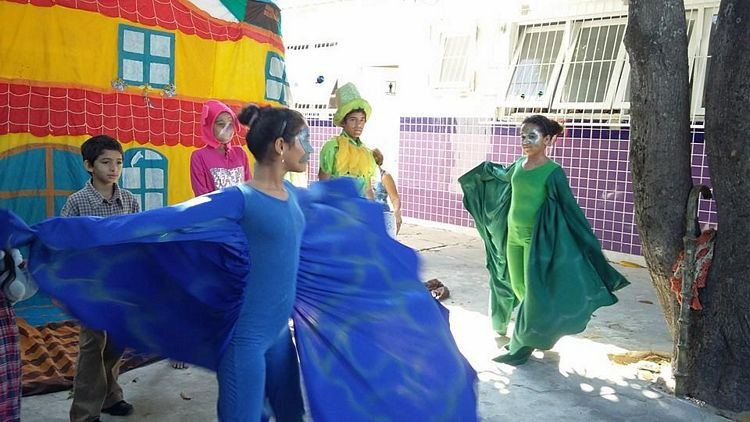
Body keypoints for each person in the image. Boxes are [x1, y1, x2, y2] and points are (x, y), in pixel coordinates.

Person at [459, 114, 629, 366]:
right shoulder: (519, 165)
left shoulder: (553, 172)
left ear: (548, 140)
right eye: (523, 136)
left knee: (533, 292)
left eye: (532, 136)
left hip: (537, 242)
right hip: (513, 237)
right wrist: (479, 174)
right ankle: (536, 333)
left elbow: (569, 208)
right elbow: (500, 175)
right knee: (519, 287)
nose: (525, 141)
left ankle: (520, 346)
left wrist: (585, 242)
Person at [216, 104, 312, 421]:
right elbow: (165, 222)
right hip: (245, 342)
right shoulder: (240, 198)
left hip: (281, 337)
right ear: (281, 146)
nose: (310, 149)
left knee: (292, 415)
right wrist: (85, 233)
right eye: (304, 140)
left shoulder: (293, 196)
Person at [62, 135, 139, 421]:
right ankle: (85, 412)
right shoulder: (77, 203)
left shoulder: (129, 200)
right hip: (90, 285)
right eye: (106, 162)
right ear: (89, 166)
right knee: (93, 346)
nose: (114, 168)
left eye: (118, 162)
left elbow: (138, 239)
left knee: (116, 344)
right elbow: (65, 243)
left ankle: (110, 398)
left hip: (121, 284)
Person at [318, 82, 376, 198]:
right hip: (336, 206)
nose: (358, 125)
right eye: (353, 120)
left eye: (362, 120)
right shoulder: (333, 147)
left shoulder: (366, 153)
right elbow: (323, 185)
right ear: (343, 122)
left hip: (359, 208)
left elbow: (368, 190)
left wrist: (373, 208)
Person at [0, 248, 36, 422]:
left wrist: (19, 263)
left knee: (5, 377)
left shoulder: (8, 254)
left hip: (4, 324)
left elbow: (19, 289)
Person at [190, 99, 252, 196]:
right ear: (209, 125)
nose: (227, 128)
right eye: (221, 124)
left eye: (230, 124)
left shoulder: (240, 153)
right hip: (212, 206)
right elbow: (201, 196)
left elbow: (249, 190)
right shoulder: (199, 157)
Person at [371, 148, 402, 236]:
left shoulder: (385, 176)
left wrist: (397, 211)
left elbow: (394, 198)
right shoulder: (362, 175)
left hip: (382, 214)